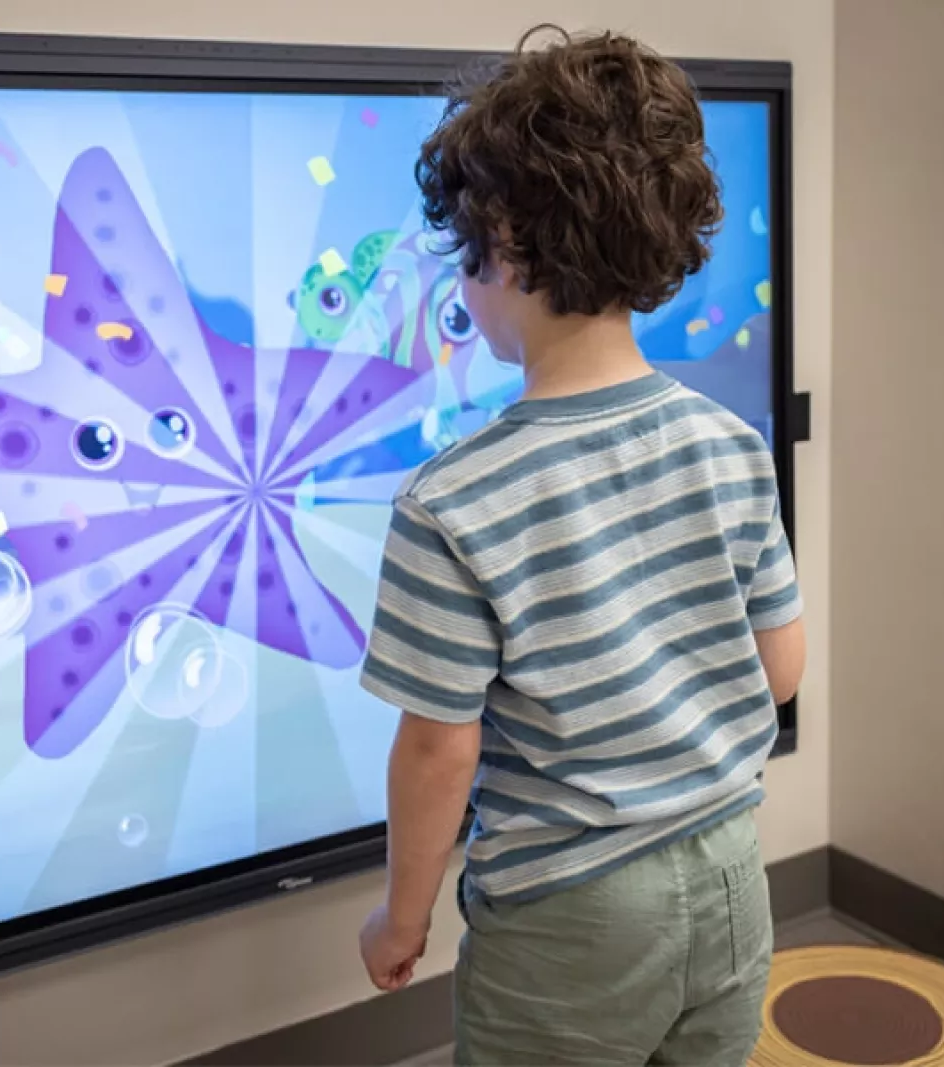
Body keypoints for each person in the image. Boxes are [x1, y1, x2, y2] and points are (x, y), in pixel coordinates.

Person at [355, 26, 807, 1067]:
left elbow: (437, 751)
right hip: (735, 871)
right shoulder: (729, 444)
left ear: (502, 244)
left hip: (570, 916)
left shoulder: (451, 500)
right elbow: (780, 669)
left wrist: (401, 917)